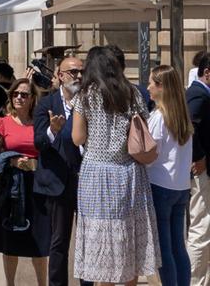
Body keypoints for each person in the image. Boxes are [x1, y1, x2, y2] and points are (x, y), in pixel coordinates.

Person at [70, 44, 158, 286]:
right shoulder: (132, 93)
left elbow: (77, 138)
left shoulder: (85, 96)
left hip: (96, 175)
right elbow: (143, 131)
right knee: (129, 241)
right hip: (129, 172)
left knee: (103, 247)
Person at [0, 76, 50, 286]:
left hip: (38, 186)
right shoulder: (1, 123)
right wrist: (11, 160)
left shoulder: (41, 123)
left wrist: (34, 164)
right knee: (9, 242)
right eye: (15, 94)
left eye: (24, 94)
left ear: (33, 99)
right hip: (11, 188)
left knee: (40, 242)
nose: (19, 98)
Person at [34, 50, 88, 286]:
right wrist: (52, 130)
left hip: (87, 181)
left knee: (88, 240)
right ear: (60, 75)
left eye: (82, 72)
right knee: (59, 242)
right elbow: (38, 142)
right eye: (73, 72)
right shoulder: (47, 104)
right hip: (58, 182)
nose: (78, 76)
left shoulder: (89, 103)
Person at [148, 64, 195, 286]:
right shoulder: (182, 116)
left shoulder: (159, 117)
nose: (148, 87)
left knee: (164, 249)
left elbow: (150, 152)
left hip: (160, 185)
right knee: (179, 246)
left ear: (162, 87)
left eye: (151, 83)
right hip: (181, 187)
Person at [186, 53, 210, 286]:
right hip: (202, 174)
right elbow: (188, 127)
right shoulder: (198, 94)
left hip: (203, 173)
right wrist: (199, 157)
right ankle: (194, 281)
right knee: (201, 228)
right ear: (207, 73)